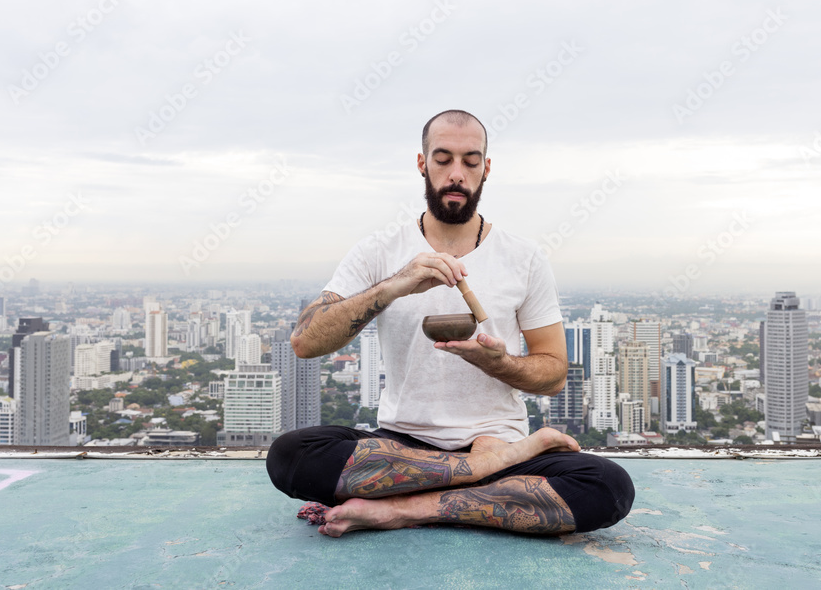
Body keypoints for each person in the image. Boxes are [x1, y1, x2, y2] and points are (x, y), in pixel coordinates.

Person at [266, 109, 634, 537]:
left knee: (608, 487)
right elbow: (306, 341)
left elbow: (552, 374)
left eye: (470, 161)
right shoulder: (377, 252)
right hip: (405, 449)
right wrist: (396, 285)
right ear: (422, 164)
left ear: (486, 168)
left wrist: (497, 363)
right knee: (290, 455)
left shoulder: (524, 257)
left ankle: (400, 509)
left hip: (501, 443)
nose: (456, 173)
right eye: (443, 160)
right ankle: (478, 474)